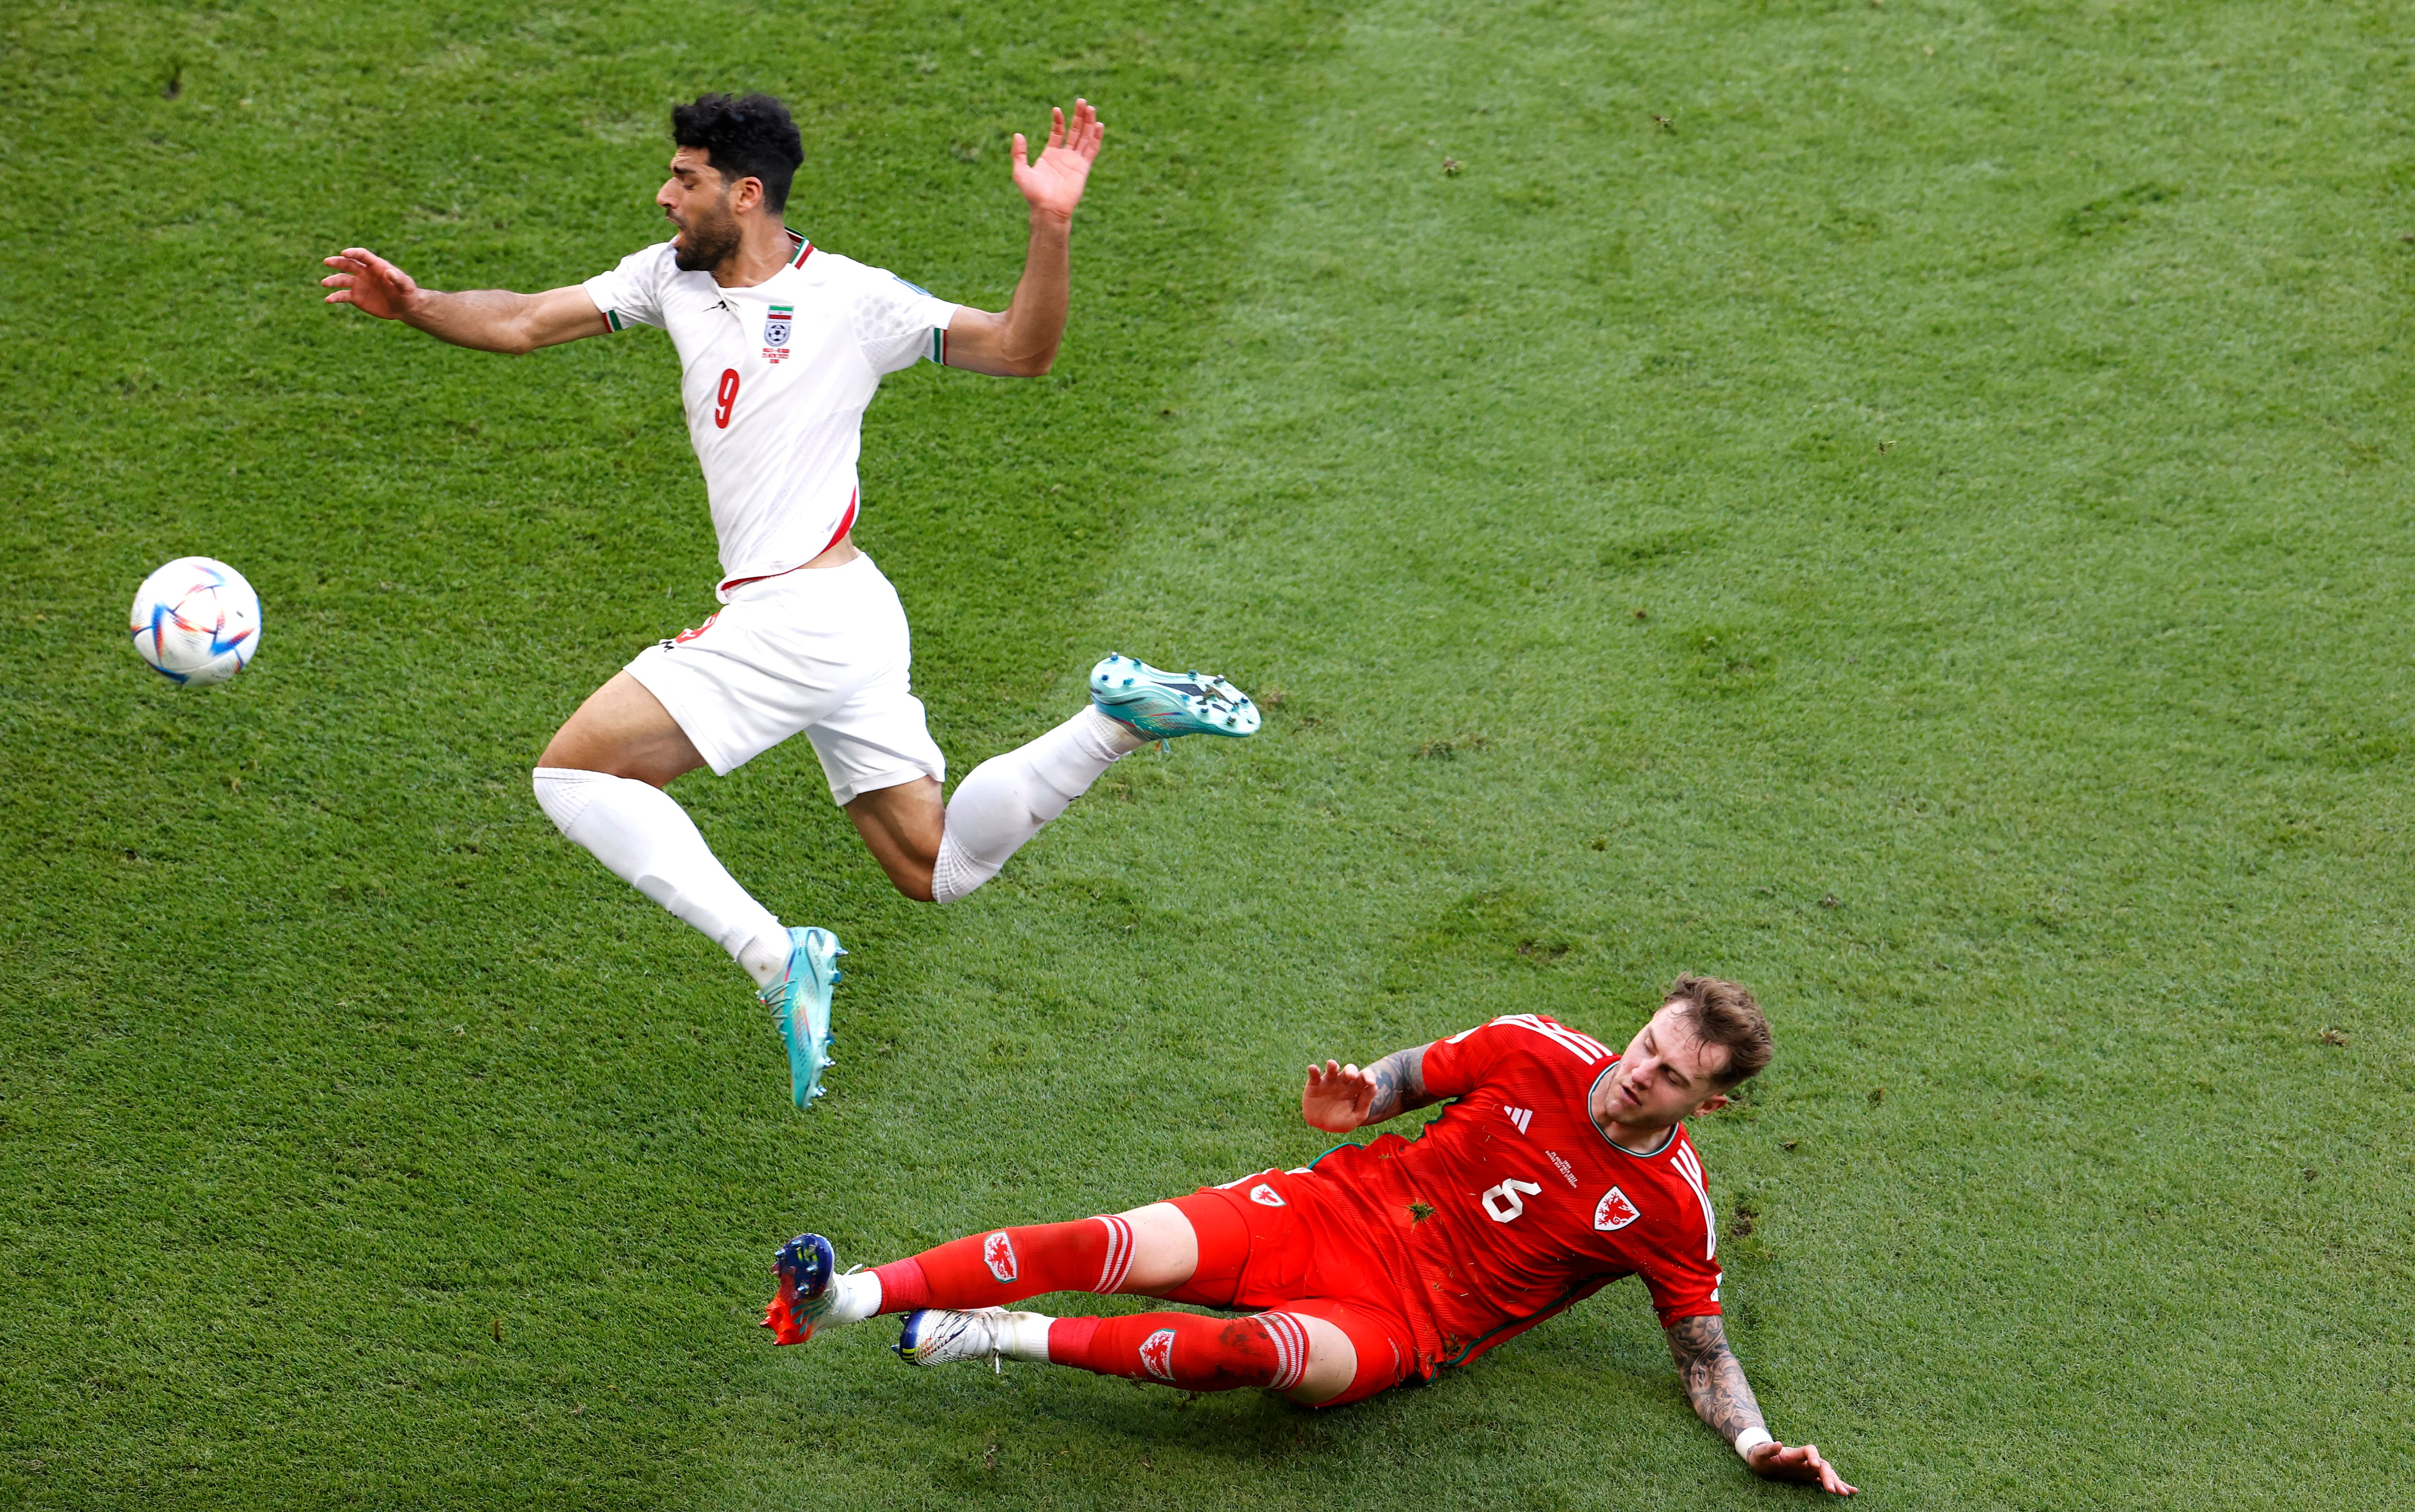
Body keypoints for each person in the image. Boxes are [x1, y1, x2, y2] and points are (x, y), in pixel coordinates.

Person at [319, 93, 1257, 1107]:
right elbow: (525, 318)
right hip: (853, 613)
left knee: (575, 777)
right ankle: (1112, 722)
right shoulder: (665, 277)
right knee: (935, 865)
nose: (665, 195)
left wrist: (1052, 225)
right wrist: (416, 304)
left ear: (747, 193)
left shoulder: (854, 301)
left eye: (686, 180)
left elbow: (1021, 349)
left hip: (795, 617)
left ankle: (777, 956)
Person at [765, 976, 1855, 1494]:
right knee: (1105, 1243)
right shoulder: (1532, 1046)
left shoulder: (1673, 1205)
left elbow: (1702, 1351)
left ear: (1706, 1105)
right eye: (1647, 1043)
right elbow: (1400, 1082)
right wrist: (1360, 1102)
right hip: (1334, 1208)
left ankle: (988, 1337)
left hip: (1404, 1322)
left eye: (1671, 1075)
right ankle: (849, 1296)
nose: (1639, 1071)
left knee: (1254, 1354)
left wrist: (1756, 1445)